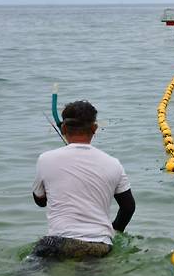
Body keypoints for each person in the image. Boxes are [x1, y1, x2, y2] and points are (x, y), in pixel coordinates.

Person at [31, 100, 135, 259]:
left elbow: (40, 201)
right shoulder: (113, 164)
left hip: (56, 243)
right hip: (99, 245)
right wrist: (114, 231)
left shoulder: (45, 159)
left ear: (63, 128)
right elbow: (128, 207)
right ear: (95, 128)